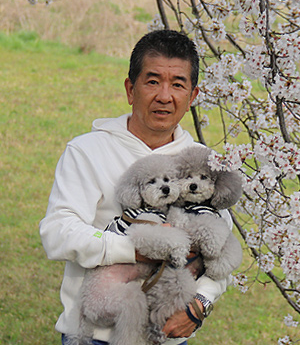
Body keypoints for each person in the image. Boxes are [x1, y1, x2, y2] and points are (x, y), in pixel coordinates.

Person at [40, 29, 234, 345]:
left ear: (192, 97)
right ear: (131, 89)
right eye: (153, 81)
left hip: (167, 338)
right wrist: (133, 249)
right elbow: (57, 232)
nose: (164, 95)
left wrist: (201, 304)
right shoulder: (87, 151)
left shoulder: (203, 164)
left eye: (178, 84)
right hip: (93, 337)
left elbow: (222, 249)